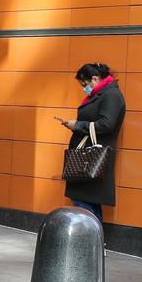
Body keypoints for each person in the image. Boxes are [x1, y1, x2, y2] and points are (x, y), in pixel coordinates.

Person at [56, 63, 125, 223]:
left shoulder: (111, 95)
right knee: (87, 204)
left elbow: (107, 124)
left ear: (94, 79)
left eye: (85, 84)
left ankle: (90, 243)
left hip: (91, 159)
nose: (84, 89)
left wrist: (78, 125)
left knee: (83, 206)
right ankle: (94, 243)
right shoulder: (101, 94)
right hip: (87, 159)